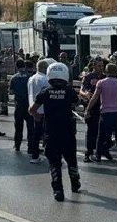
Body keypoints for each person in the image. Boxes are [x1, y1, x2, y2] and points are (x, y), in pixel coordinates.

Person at [31, 62, 81, 202]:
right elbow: (77, 103)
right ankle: (75, 184)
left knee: (54, 162)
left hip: (51, 132)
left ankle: (58, 190)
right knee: (72, 160)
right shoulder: (70, 91)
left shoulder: (45, 91)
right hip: (68, 132)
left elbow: (32, 109)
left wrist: (39, 118)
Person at [88, 63, 117, 165]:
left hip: (106, 112)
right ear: (116, 72)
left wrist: (88, 108)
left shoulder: (101, 83)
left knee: (101, 136)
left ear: (106, 72)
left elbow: (95, 97)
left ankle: (98, 157)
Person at [80, 57, 106, 162]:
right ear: (94, 66)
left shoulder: (105, 77)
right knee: (91, 130)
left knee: (104, 130)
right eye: (99, 66)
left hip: (103, 106)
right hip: (91, 106)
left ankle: (103, 151)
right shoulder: (88, 77)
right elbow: (81, 90)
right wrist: (85, 94)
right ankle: (88, 152)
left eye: (102, 66)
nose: (101, 68)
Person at [27, 58, 51, 163]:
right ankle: (50, 155)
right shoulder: (45, 79)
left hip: (34, 109)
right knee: (48, 133)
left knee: (36, 133)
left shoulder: (31, 78)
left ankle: (35, 155)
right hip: (44, 110)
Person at [10, 59, 31, 154]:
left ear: (16, 67)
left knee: (18, 126)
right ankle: (30, 147)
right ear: (24, 66)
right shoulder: (29, 77)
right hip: (28, 104)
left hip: (18, 105)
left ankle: (17, 145)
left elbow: (11, 92)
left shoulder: (13, 78)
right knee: (31, 127)